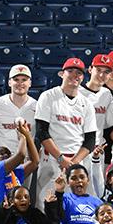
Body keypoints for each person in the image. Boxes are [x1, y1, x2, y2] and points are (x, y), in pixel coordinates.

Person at [34, 58, 97, 210]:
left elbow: (90, 140)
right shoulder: (48, 96)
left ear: (83, 77)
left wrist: (73, 164)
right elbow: (42, 132)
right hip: (52, 158)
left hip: (76, 161)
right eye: (71, 71)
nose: (75, 75)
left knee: (74, 208)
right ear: (62, 73)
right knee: (46, 204)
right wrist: (61, 158)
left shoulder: (86, 103)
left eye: (79, 73)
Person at [0, 64, 37, 167]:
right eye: (16, 79)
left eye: (24, 80)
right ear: (9, 82)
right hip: (0, 163)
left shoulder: (37, 106)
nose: (20, 83)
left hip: (25, 164)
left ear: (30, 83)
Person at [79, 54, 113, 197]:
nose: (101, 74)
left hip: (96, 150)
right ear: (90, 69)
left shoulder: (107, 95)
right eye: (98, 69)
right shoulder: (77, 92)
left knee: (95, 192)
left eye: (106, 72)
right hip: (77, 149)